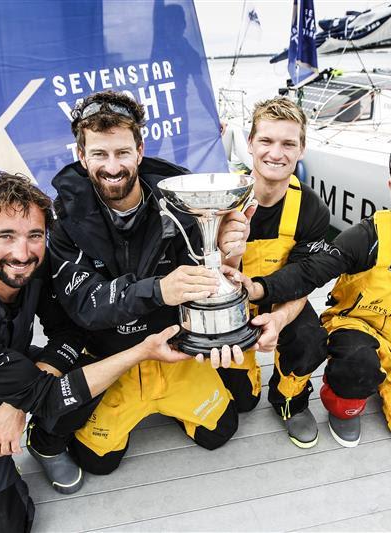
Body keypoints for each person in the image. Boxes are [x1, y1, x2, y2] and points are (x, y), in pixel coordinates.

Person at [0, 173, 190, 533]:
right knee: (6, 526)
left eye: (34, 236)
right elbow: (48, 395)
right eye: (5, 236)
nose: (22, 253)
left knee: (91, 359)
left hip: (14, 366)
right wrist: (142, 351)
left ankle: (45, 444)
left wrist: (15, 404)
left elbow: (69, 330)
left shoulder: (37, 264)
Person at [48, 90, 275, 475]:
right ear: (81, 156)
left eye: (122, 152)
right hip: (115, 357)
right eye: (100, 155)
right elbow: (84, 305)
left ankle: (179, 393)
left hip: (175, 349)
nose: (112, 166)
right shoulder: (64, 220)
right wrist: (158, 289)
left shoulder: (183, 195)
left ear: (139, 150)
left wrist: (227, 250)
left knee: (221, 430)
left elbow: (210, 280)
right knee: (98, 462)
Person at [228, 143, 391, 447]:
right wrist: (259, 288)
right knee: (358, 363)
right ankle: (341, 403)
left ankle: (380, 376)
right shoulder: (365, 237)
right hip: (352, 326)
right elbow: (311, 271)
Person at [215, 97, 330, 448]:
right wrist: (228, 255)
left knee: (311, 337)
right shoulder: (220, 196)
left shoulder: (311, 207)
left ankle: (290, 399)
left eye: (288, 143)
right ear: (250, 143)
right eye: (266, 141)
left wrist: (278, 321)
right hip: (226, 300)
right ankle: (244, 377)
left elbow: (304, 279)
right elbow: (205, 277)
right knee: (242, 401)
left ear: (301, 148)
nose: (276, 153)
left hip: (277, 295)